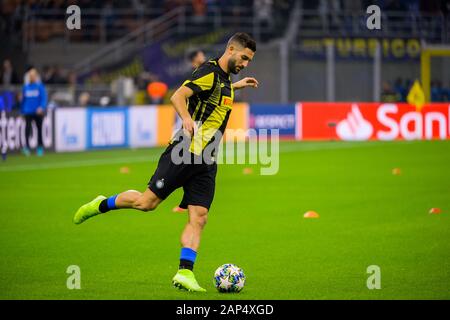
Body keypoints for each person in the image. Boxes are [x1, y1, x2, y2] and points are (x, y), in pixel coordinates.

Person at [73, 32, 258, 292]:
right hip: (183, 152)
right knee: (145, 203)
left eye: (249, 61)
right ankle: (101, 204)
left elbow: (217, 93)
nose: (245, 64)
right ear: (231, 49)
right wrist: (185, 118)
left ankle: (185, 272)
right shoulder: (208, 71)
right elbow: (177, 96)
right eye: (244, 58)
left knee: (200, 216)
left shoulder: (226, 80)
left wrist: (238, 86)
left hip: (206, 159)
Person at [21, 68, 47, 156]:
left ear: (36, 76)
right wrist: (22, 111)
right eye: (30, 76)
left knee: (39, 130)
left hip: (37, 112)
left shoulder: (40, 86)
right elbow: (23, 100)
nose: (31, 77)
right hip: (28, 111)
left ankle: (40, 147)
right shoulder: (26, 87)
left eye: (33, 75)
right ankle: (27, 147)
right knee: (27, 130)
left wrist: (41, 107)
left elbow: (43, 98)